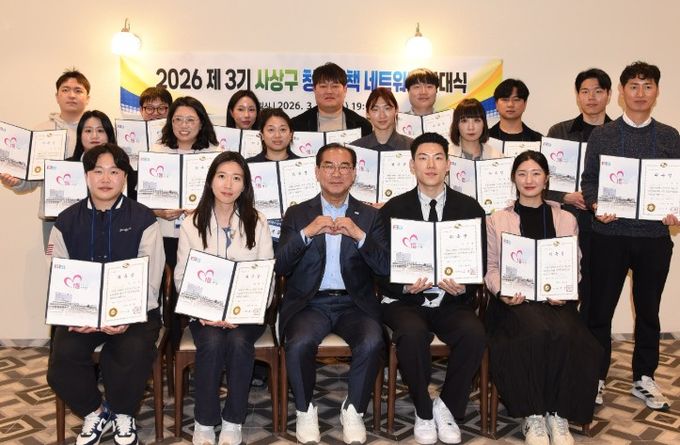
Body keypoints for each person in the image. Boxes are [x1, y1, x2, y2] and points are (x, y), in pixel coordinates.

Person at [46, 143, 164, 445]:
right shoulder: (66, 220)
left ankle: (124, 413)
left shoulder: (143, 218)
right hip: (82, 315)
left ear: (124, 177)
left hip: (134, 313)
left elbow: (151, 278)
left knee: (130, 350)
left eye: (114, 171)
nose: (106, 178)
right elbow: (58, 273)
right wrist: (77, 315)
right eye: (98, 171)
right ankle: (96, 411)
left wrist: (125, 316)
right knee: (62, 358)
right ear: (87, 176)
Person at [581, 61, 680, 410]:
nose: (640, 93)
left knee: (649, 311)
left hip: (654, 238)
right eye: (633, 86)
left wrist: (675, 211)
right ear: (622, 93)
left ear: (657, 92)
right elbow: (589, 181)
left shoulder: (670, 136)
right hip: (609, 235)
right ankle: (596, 377)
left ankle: (644, 377)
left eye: (647, 86)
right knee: (599, 310)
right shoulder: (603, 135)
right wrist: (596, 204)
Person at [485, 150, 601, 445]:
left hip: (554, 302)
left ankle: (558, 413)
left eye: (536, 173)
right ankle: (533, 414)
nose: (529, 179)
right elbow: (491, 268)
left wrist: (564, 290)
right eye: (522, 173)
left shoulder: (566, 218)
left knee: (573, 336)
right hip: (514, 303)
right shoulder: (498, 219)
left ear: (546, 178)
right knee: (534, 332)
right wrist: (503, 292)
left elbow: (574, 265)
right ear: (513, 179)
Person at [275, 143, 388, 444]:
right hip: (310, 303)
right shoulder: (298, 213)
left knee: (372, 341)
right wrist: (307, 233)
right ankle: (304, 410)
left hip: (354, 304)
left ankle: (353, 410)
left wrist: (360, 236)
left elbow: (385, 267)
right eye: (329, 166)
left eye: (344, 167)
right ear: (317, 172)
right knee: (299, 343)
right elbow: (281, 265)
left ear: (353, 173)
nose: (336, 173)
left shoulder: (369, 215)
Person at [378, 132, 486, 445]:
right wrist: (402, 285)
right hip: (405, 301)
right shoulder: (393, 210)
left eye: (438, 158)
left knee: (474, 333)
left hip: (451, 300)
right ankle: (424, 411)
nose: (431, 165)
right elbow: (378, 265)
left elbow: (478, 262)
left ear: (448, 164)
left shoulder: (469, 209)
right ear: (412, 165)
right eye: (423, 158)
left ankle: (446, 406)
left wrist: (464, 286)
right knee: (412, 334)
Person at [174, 151, 274, 445]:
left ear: (245, 185)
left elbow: (266, 274)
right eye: (222, 176)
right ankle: (204, 422)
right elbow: (182, 275)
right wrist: (204, 312)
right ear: (210, 181)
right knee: (213, 341)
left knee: (240, 342)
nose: (228, 184)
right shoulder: (192, 223)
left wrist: (243, 312)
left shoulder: (258, 221)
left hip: (247, 313)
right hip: (204, 313)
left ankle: (233, 420)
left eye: (236, 178)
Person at [546, 68, 613, 323]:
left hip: (606, 226)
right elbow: (543, 181)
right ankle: (568, 344)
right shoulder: (559, 132)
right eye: (585, 91)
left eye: (598, 91)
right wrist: (567, 196)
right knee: (565, 288)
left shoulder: (617, 134)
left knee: (599, 293)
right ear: (577, 96)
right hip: (567, 221)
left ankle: (593, 346)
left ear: (608, 95)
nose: (591, 97)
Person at [1, 110, 120, 246]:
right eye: (88, 131)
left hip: (110, 228)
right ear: (80, 135)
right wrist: (17, 182)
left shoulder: (122, 167)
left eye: (100, 130)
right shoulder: (63, 167)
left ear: (109, 134)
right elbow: (33, 181)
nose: (94, 136)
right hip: (66, 229)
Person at [291, 62, 372, 136]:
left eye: (335, 86)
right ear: (314, 89)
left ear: (345, 89)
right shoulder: (296, 125)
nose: (329, 91)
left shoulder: (362, 126)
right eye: (323, 86)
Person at [36, 69, 91, 158]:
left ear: (87, 99)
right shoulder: (40, 130)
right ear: (57, 97)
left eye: (78, 91)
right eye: (65, 90)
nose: (72, 95)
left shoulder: (98, 132)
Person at [351, 87, 413, 151]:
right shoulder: (356, 148)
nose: (382, 115)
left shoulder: (411, 146)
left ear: (396, 110)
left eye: (387, 108)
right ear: (367, 113)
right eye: (375, 109)